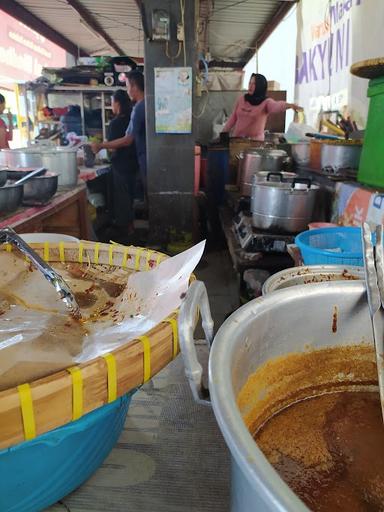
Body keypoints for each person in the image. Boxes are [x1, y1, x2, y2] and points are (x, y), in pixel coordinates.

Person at [91, 70, 146, 199]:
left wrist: (101, 146)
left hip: (141, 163)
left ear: (134, 87)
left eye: (127, 87)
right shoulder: (146, 105)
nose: (128, 91)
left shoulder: (138, 108)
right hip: (141, 162)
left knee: (125, 203)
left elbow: (128, 140)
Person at [222, 73, 303, 141]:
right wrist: (223, 133)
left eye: (254, 84)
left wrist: (290, 105)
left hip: (255, 144)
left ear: (260, 86)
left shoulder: (266, 102)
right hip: (237, 141)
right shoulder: (242, 99)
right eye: (250, 83)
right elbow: (233, 118)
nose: (250, 86)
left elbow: (276, 106)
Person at [106, 89, 139, 238]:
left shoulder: (115, 123)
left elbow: (113, 147)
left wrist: (102, 147)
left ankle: (126, 232)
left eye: (112, 103)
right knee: (130, 198)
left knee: (122, 199)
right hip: (135, 165)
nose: (112, 106)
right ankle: (131, 228)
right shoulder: (133, 118)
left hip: (120, 166)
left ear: (117, 104)